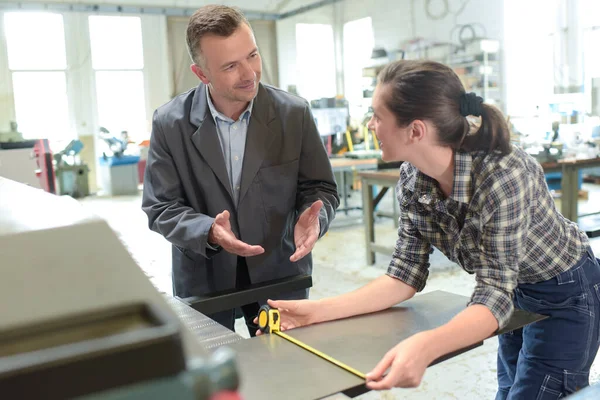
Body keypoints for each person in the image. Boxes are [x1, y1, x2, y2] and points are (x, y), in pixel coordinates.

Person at [256, 59, 600, 398]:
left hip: (565, 290)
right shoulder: (412, 179)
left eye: (378, 116)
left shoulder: (504, 174)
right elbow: (404, 276)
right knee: (510, 390)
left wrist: (427, 345)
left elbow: (493, 291)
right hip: (514, 291)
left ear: (415, 130)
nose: (370, 125)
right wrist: (318, 312)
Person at [142, 5, 339, 336]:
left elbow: (320, 187)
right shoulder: (169, 124)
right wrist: (208, 230)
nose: (249, 73)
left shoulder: (294, 114)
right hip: (205, 275)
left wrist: (314, 217)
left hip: (280, 270)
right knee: (221, 380)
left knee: (284, 374)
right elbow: (160, 206)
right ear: (202, 74)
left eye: (253, 55)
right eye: (231, 66)